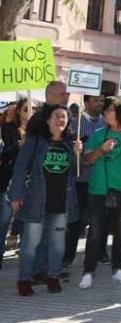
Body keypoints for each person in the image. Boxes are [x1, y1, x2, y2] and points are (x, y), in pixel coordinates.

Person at [9, 105, 81, 295]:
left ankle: (53, 277)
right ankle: (24, 280)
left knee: (58, 244)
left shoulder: (69, 144)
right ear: (47, 120)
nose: (61, 120)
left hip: (60, 202)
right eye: (57, 116)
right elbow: (20, 167)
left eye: (64, 117)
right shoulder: (35, 142)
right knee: (30, 244)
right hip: (36, 202)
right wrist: (16, 195)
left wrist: (76, 155)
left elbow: (74, 174)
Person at [80, 99, 121, 289]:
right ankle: (88, 271)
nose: (104, 113)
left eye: (109, 110)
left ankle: (118, 269)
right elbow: (87, 160)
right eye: (105, 110)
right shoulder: (99, 134)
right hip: (98, 189)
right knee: (96, 233)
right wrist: (101, 150)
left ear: (120, 113)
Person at [63, 94, 103, 274]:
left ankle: (98, 253)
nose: (100, 103)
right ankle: (68, 255)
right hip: (79, 180)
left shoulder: (107, 124)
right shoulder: (74, 123)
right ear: (86, 103)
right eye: (96, 100)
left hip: (100, 179)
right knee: (75, 221)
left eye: (102, 100)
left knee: (98, 220)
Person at [0, 98, 31, 267]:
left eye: (33, 108)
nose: (30, 112)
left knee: (27, 220)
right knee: (4, 220)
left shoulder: (38, 130)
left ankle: (27, 257)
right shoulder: (7, 129)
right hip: (10, 180)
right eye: (26, 109)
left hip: (31, 181)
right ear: (19, 111)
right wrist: (17, 146)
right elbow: (3, 154)